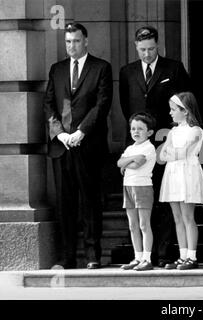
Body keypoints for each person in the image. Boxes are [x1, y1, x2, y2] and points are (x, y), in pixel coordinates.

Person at [119, 26, 191, 267]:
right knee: (140, 203)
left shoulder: (174, 68)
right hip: (138, 148)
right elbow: (126, 108)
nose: (147, 54)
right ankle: (142, 255)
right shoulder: (127, 72)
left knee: (166, 197)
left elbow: (185, 101)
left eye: (151, 49)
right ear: (135, 47)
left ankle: (163, 252)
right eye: (142, 50)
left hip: (166, 144)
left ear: (157, 45)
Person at [43, 23, 113, 269]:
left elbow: (102, 104)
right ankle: (68, 256)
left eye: (75, 41)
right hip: (61, 147)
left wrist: (81, 131)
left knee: (90, 201)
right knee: (65, 203)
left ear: (86, 41)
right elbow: (49, 104)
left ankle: (93, 255)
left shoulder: (101, 67)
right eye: (67, 42)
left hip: (88, 146)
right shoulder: (57, 69)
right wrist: (60, 134)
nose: (71, 46)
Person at [159, 92, 203, 270]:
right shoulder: (173, 131)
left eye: (173, 109)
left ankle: (192, 257)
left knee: (187, 216)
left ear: (185, 111)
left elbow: (184, 153)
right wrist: (173, 154)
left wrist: (173, 153)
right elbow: (163, 155)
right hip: (173, 173)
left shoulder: (195, 131)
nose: (170, 113)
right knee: (177, 217)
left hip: (188, 173)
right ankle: (182, 255)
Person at [118, 113, 157, 271]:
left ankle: (147, 259)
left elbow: (135, 165)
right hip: (128, 186)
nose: (136, 131)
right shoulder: (130, 148)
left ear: (149, 132)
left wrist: (127, 162)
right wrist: (130, 159)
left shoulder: (149, 147)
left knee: (143, 224)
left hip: (142, 187)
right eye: (133, 128)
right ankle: (137, 256)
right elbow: (119, 162)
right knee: (133, 225)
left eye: (140, 129)